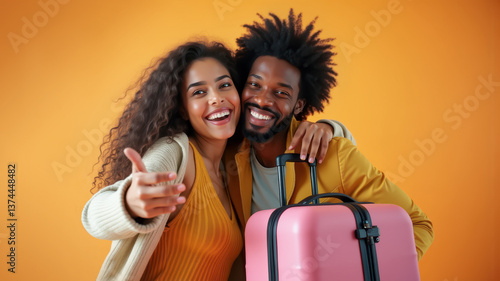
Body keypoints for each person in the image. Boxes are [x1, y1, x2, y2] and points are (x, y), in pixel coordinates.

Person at [82, 40, 349, 281]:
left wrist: (327, 128)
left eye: (224, 85)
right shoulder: (175, 154)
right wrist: (129, 203)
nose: (216, 98)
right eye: (199, 92)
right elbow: (93, 215)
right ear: (182, 109)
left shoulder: (235, 163)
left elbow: (345, 152)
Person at [225, 9, 434, 264]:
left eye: (280, 93)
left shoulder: (334, 156)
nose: (262, 100)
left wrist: (352, 270)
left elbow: (417, 225)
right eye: (254, 85)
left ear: (299, 105)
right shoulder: (227, 150)